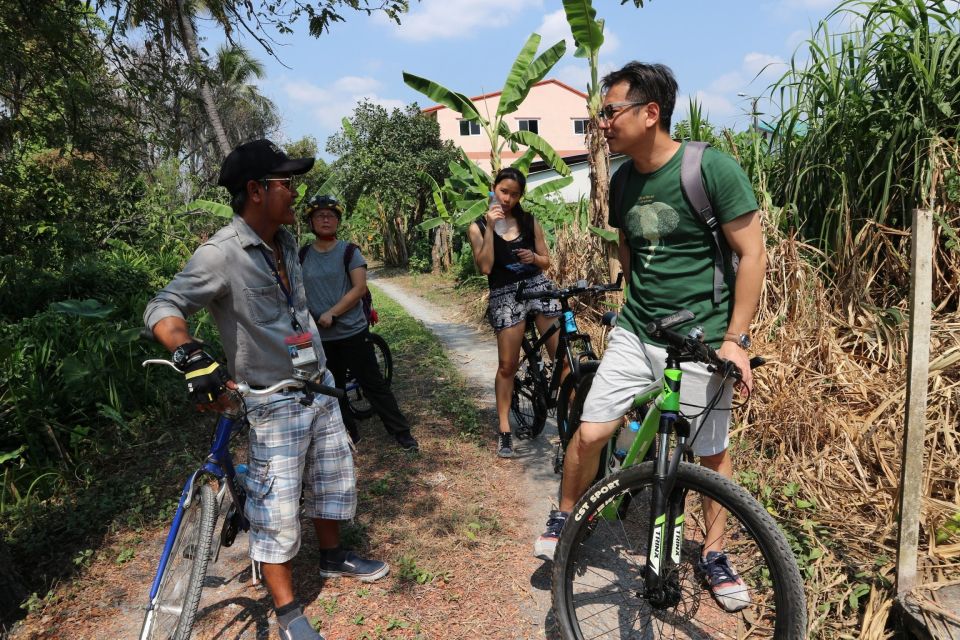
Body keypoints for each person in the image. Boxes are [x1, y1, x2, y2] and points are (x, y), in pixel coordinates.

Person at [533, 62, 766, 613]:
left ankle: (713, 555)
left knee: (710, 454)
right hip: (638, 331)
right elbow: (630, 248)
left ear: (649, 113)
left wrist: (735, 338)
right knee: (590, 434)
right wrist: (630, 305)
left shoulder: (710, 169)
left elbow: (752, 253)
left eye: (609, 111)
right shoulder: (622, 180)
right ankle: (567, 514)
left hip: (703, 338)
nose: (602, 123)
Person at [144, 139, 389, 640]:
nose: (295, 193)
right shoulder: (221, 254)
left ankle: (333, 556)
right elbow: (163, 306)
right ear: (256, 191)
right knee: (275, 508)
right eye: (286, 184)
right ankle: (288, 611)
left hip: (315, 385)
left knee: (330, 478)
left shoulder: (284, 244)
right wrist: (189, 352)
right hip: (272, 397)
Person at [299, 194, 419, 451]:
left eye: (331, 215)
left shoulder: (349, 251)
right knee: (333, 389)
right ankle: (350, 432)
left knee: (373, 384)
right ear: (310, 222)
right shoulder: (302, 255)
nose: (325, 218)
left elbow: (359, 288)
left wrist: (332, 313)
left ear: (338, 221)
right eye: (319, 215)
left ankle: (401, 432)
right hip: (320, 337)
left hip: (351, 331)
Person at [467, 167, 562, 458]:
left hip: (537, 285)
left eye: (515, 194)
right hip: (505, 293)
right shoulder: (477, 227)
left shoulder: (529, 221)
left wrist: (534, 257)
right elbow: (484, 267)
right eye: (503, 191)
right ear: (493, 188)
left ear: (521, 196)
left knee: (563, 358)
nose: (508, 198)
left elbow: (546, 261)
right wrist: (490, 227)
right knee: (507, 366)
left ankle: (570, 420)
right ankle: (505, 428)